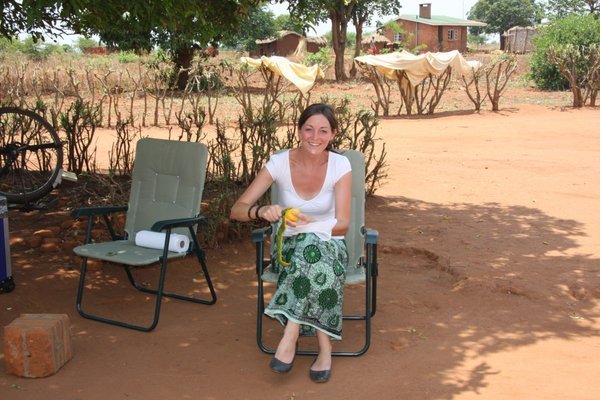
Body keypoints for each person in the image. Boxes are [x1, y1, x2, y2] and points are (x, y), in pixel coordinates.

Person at [230, 103, 352, 383]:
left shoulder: (340, 165)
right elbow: (237, 210)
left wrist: (312, 225)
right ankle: (325, 349)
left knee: (315, 251)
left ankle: (291, 332)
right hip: (287, 248)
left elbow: (343, 223)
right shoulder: (279, 163)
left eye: (323, 130)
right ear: (298, 131)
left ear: (333, 134)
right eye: (308, 129)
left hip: (332, 244)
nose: (315, 136)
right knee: (313, 256)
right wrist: (261, 211)